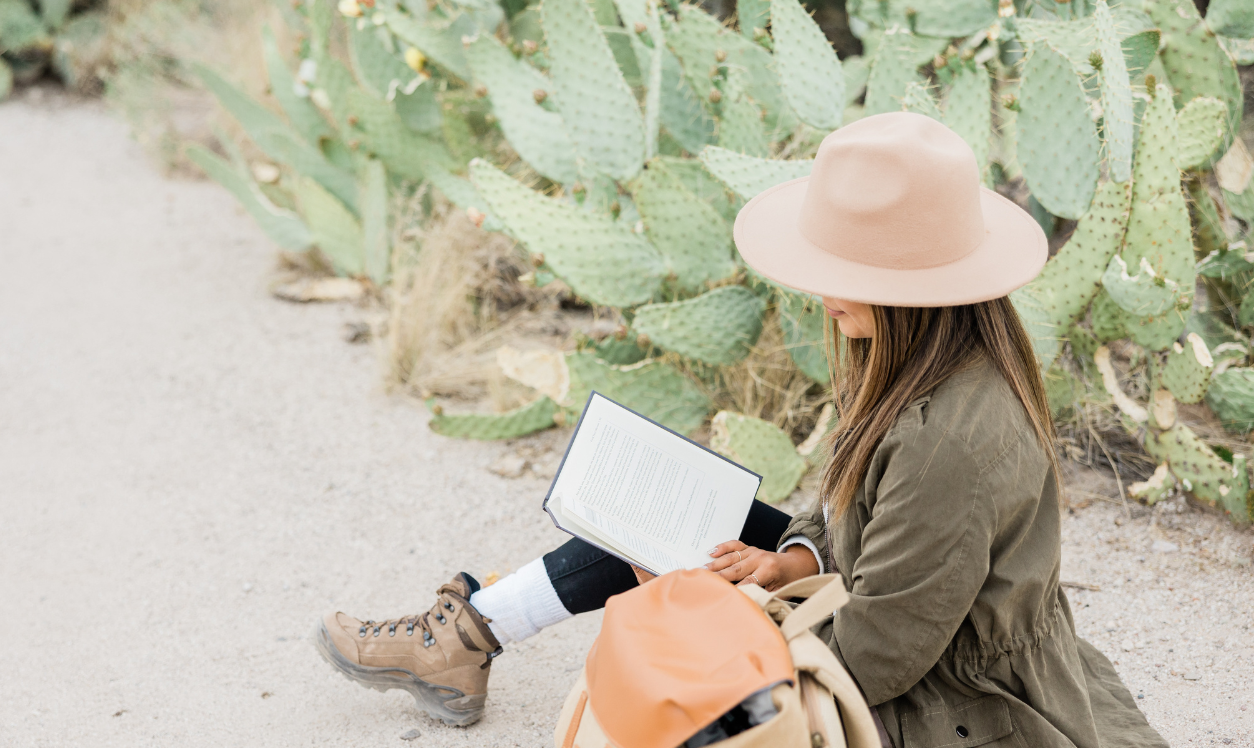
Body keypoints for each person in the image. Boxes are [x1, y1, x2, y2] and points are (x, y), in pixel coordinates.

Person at [314, 112, 1168, 747]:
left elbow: (877, 660)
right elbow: (860, 519)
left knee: (678, 594)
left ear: (913, 287)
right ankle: (472, 632)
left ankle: (466, 637)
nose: (820, 291)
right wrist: (792, 560)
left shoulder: (947, 438)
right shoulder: (928, 361)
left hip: (951, 706)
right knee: (666, 510)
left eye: (842, 269)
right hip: (894, 626)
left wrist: (709, 614)